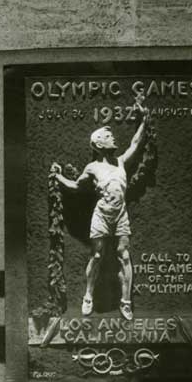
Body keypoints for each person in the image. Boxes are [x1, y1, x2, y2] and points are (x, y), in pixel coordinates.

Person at [50, 99, 148, 322]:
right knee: (97, 254)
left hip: (120, 215)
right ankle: (88, 296)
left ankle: (125, 302)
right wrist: (57, 177)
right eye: (108, 137)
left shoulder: (121, 162)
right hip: (101, 215)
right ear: (99, 144)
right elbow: (76, 186)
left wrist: (143, 119)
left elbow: (135, 143)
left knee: (124, 255)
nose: (113, 138)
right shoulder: (93, 168)